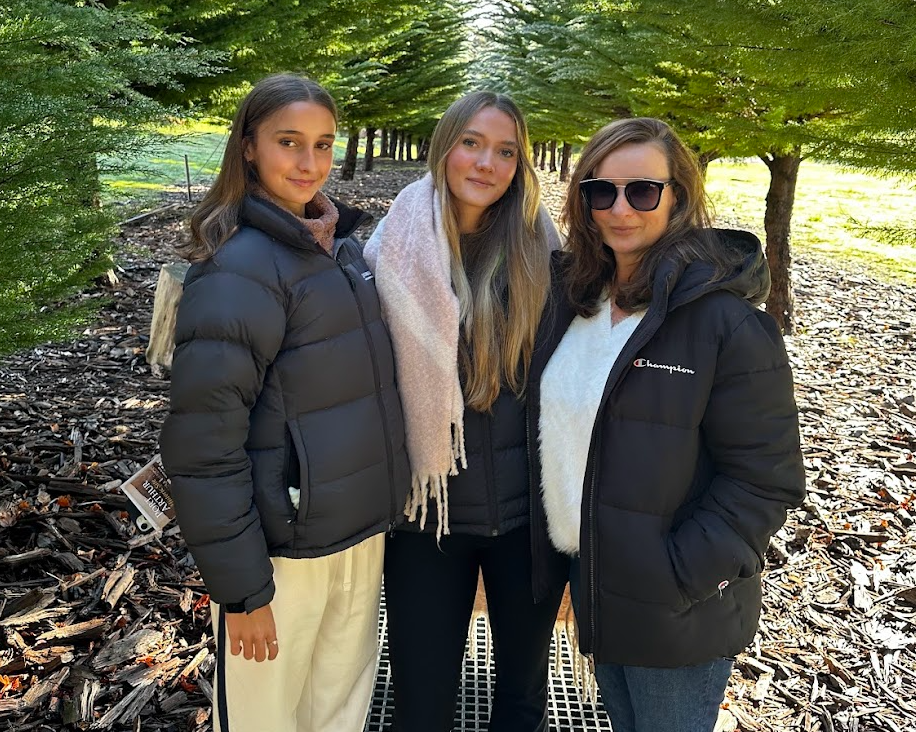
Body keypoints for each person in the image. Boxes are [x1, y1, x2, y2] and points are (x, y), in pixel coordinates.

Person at [528, 117, 806, 732]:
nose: (620, 208)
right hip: (599, 585)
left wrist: (678, 575)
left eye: (642, 190)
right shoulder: (580, 302)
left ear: (678, 195)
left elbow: (766, 479)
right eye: (601, 191)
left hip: (676, 605)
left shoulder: (724, 324)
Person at [160, 73, 410, 732]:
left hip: (356, 539)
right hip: (283, 555)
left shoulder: (344, 250)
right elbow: (203, 444)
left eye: (324, 144)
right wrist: (243, 592)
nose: (309, 163)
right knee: (268, 719)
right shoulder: (238, 268)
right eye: (289, 142)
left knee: (337, 714)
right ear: (248, 147)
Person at [364, 92, 565, 732]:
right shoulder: (398, 240)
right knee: (421, 702)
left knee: (521, 700)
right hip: (428, 514)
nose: (487, 163)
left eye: (506, 151)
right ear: (444, 145)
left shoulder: (543, 246)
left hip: (526, 518)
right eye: (472, 143)